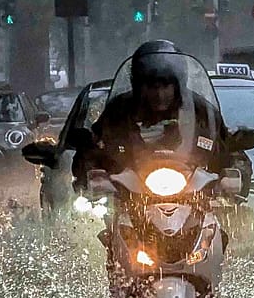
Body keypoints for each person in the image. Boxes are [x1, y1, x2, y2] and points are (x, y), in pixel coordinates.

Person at [73, 41, 243, 189]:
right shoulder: (118, 111)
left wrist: (233, 176)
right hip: (130, 198)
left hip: (193, 197)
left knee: (228, 220)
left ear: (178, 85)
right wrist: (93, 175)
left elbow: (227, 149)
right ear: (138, 86)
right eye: (151, 87)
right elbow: (94, 149)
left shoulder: (202, 112)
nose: (159, 94)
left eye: (166, 86)